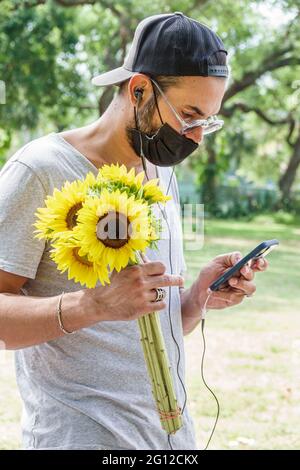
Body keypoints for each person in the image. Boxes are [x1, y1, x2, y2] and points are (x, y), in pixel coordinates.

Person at [0, 12, 267, 450]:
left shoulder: (160, 173)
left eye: (208, 121)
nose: (196, 137)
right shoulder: (41, 169)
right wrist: (91, 304)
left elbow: (145, 325)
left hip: (171, 440)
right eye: (189, 115)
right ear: (139, 89)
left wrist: (197, 298)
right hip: (82, 438)